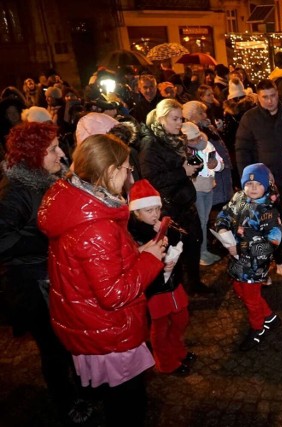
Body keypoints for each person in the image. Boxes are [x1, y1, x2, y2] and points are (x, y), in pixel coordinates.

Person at [37, 134, 166, 426]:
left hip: (88, 321)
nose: (129, 174)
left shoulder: (78, 202)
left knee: (115, 398)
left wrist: (137, 251)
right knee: (127, 406)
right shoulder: (97, 225)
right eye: (126, 168)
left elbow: (97, 265)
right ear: (109, 171)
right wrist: (150, 260)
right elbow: (114, 292)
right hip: (108, 330)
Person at [0, 122, 92, 424]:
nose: (61, 153)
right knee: (53, 348)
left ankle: (80, 390)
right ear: (33, 154)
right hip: (32, 285)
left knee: (68, 341)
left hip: (51, 277)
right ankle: (65, 402)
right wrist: (46, 239)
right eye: (52, 149)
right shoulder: (15, 192)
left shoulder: (44, 181)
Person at [235, 78, 282, 276]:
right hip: (266, 182)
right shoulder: (250, 118)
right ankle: (280, 261)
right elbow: (242, 149)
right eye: (265, 97)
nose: (270, 101)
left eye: (273, 96)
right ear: (258, 98)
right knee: (273, 224)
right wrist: (248, 180)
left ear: (278, 94)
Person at [139, 98, 211, 295]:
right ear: (162, 119)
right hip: (169, 207)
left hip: (184, 201)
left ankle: (194, 285)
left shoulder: (175, 139)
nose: (180, 123)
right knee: (175, 251)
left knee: (194, 244)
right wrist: (183, 172)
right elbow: (151, 179)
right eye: (175, 119)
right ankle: (177, 291)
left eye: (181, 118)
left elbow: (180, 166)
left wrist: (193, 166)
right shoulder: (150, 144)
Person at [127, 179, 196, 376]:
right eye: (148, 211)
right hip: (155, 287)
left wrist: (168, 231)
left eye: (157, 209)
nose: (155, 214)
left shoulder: (162, 222)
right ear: (136, 212)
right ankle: (165, 361)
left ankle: (177, 350)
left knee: (181, 318)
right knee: (160, 327)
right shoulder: (133, 232)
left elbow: (185, 237)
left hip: (173, 282)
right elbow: (135, 259)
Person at [214, 163, 282, 351]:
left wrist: (241, 248)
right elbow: (225, 213)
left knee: (251, 299)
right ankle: (269, 316)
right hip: (237, 260)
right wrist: (222, 226)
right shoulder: (239, 198)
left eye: (258, 184)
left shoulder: (269, 211)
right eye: (249, 184)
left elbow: (272, 243)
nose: (253, 188)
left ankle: (257, 328)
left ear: (266, 185)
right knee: (239, 288)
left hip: (255, 265)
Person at [181, 121, 224, 266]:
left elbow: (220, 163)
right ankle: (200, 252)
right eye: (192, 140)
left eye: (198, 138)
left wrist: (216, 165)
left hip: (208, 187)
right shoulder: (184, 151)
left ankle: (203, 250)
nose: (197, 141)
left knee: (204, 221)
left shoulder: (208, 145)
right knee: (200, 221)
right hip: (196, 189)